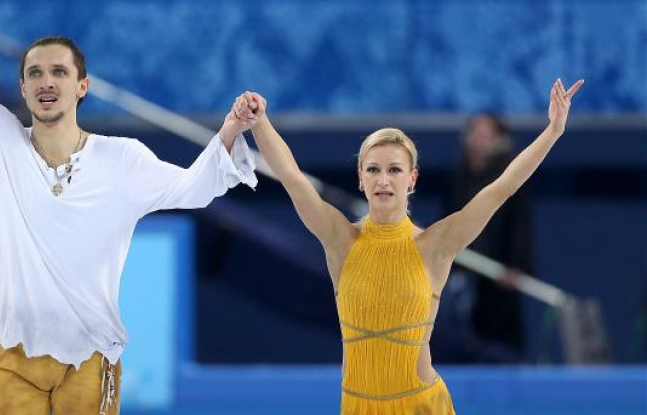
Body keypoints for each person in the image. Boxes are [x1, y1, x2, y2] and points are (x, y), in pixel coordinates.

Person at [0, 0, 258, 414]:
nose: (46, 82)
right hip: (15, 363)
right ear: (21, 87)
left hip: (92, 361)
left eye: (59, 72)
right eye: (35, 73)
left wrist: (232, 129)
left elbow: (194, 187)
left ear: (82, 86)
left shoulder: (123, 160)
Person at [239, 77, 582, 414]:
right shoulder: (340, 239)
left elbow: (501, 188)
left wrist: (552, 131)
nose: (383, 180)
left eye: (394, 169)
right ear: (360, 177)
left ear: (412, 178)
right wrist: (260, 121)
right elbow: (292, 178)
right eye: (373, 169)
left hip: (420, 406)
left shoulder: (435, 245)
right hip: (358, 406)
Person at [445, 113, 534, 363]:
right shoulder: (459, 175)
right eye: (476, 132)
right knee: (462, 337)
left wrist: (516, 265)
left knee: (502, 338)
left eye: (487, 134)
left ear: (499, 139)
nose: (480, 139)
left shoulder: (511, 173)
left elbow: (520, 224)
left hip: (500, 273)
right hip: (464, 272)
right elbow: (448, 217)